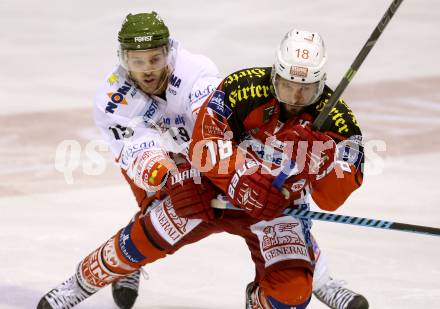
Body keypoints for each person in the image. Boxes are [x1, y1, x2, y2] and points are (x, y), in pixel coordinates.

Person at [37, 12, 367, 309]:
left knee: (292, 292)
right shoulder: (113, 99)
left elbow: (330, 194)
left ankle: (314, 278)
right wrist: (177, 176)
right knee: (147, 231)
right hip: (197, 179)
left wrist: (319, 160)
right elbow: (161, 147)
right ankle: (81, 283)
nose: (148, 69)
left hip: (247, 188)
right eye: (137, 62)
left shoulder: (197, 71)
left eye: (155, 57)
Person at [188, 29, 368, 308]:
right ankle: (117, 274)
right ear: (274, 74)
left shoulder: (337, 120)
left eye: (306, 89)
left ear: (321, 85)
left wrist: (324, 163)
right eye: (287, 86)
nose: (295, 97)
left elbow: (332, 198)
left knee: (292, 296)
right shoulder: (242, 88)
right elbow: (203, 147)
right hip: (219, 189)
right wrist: (244, 176)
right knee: (154, 232)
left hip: (278, 204)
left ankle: (294, 286)